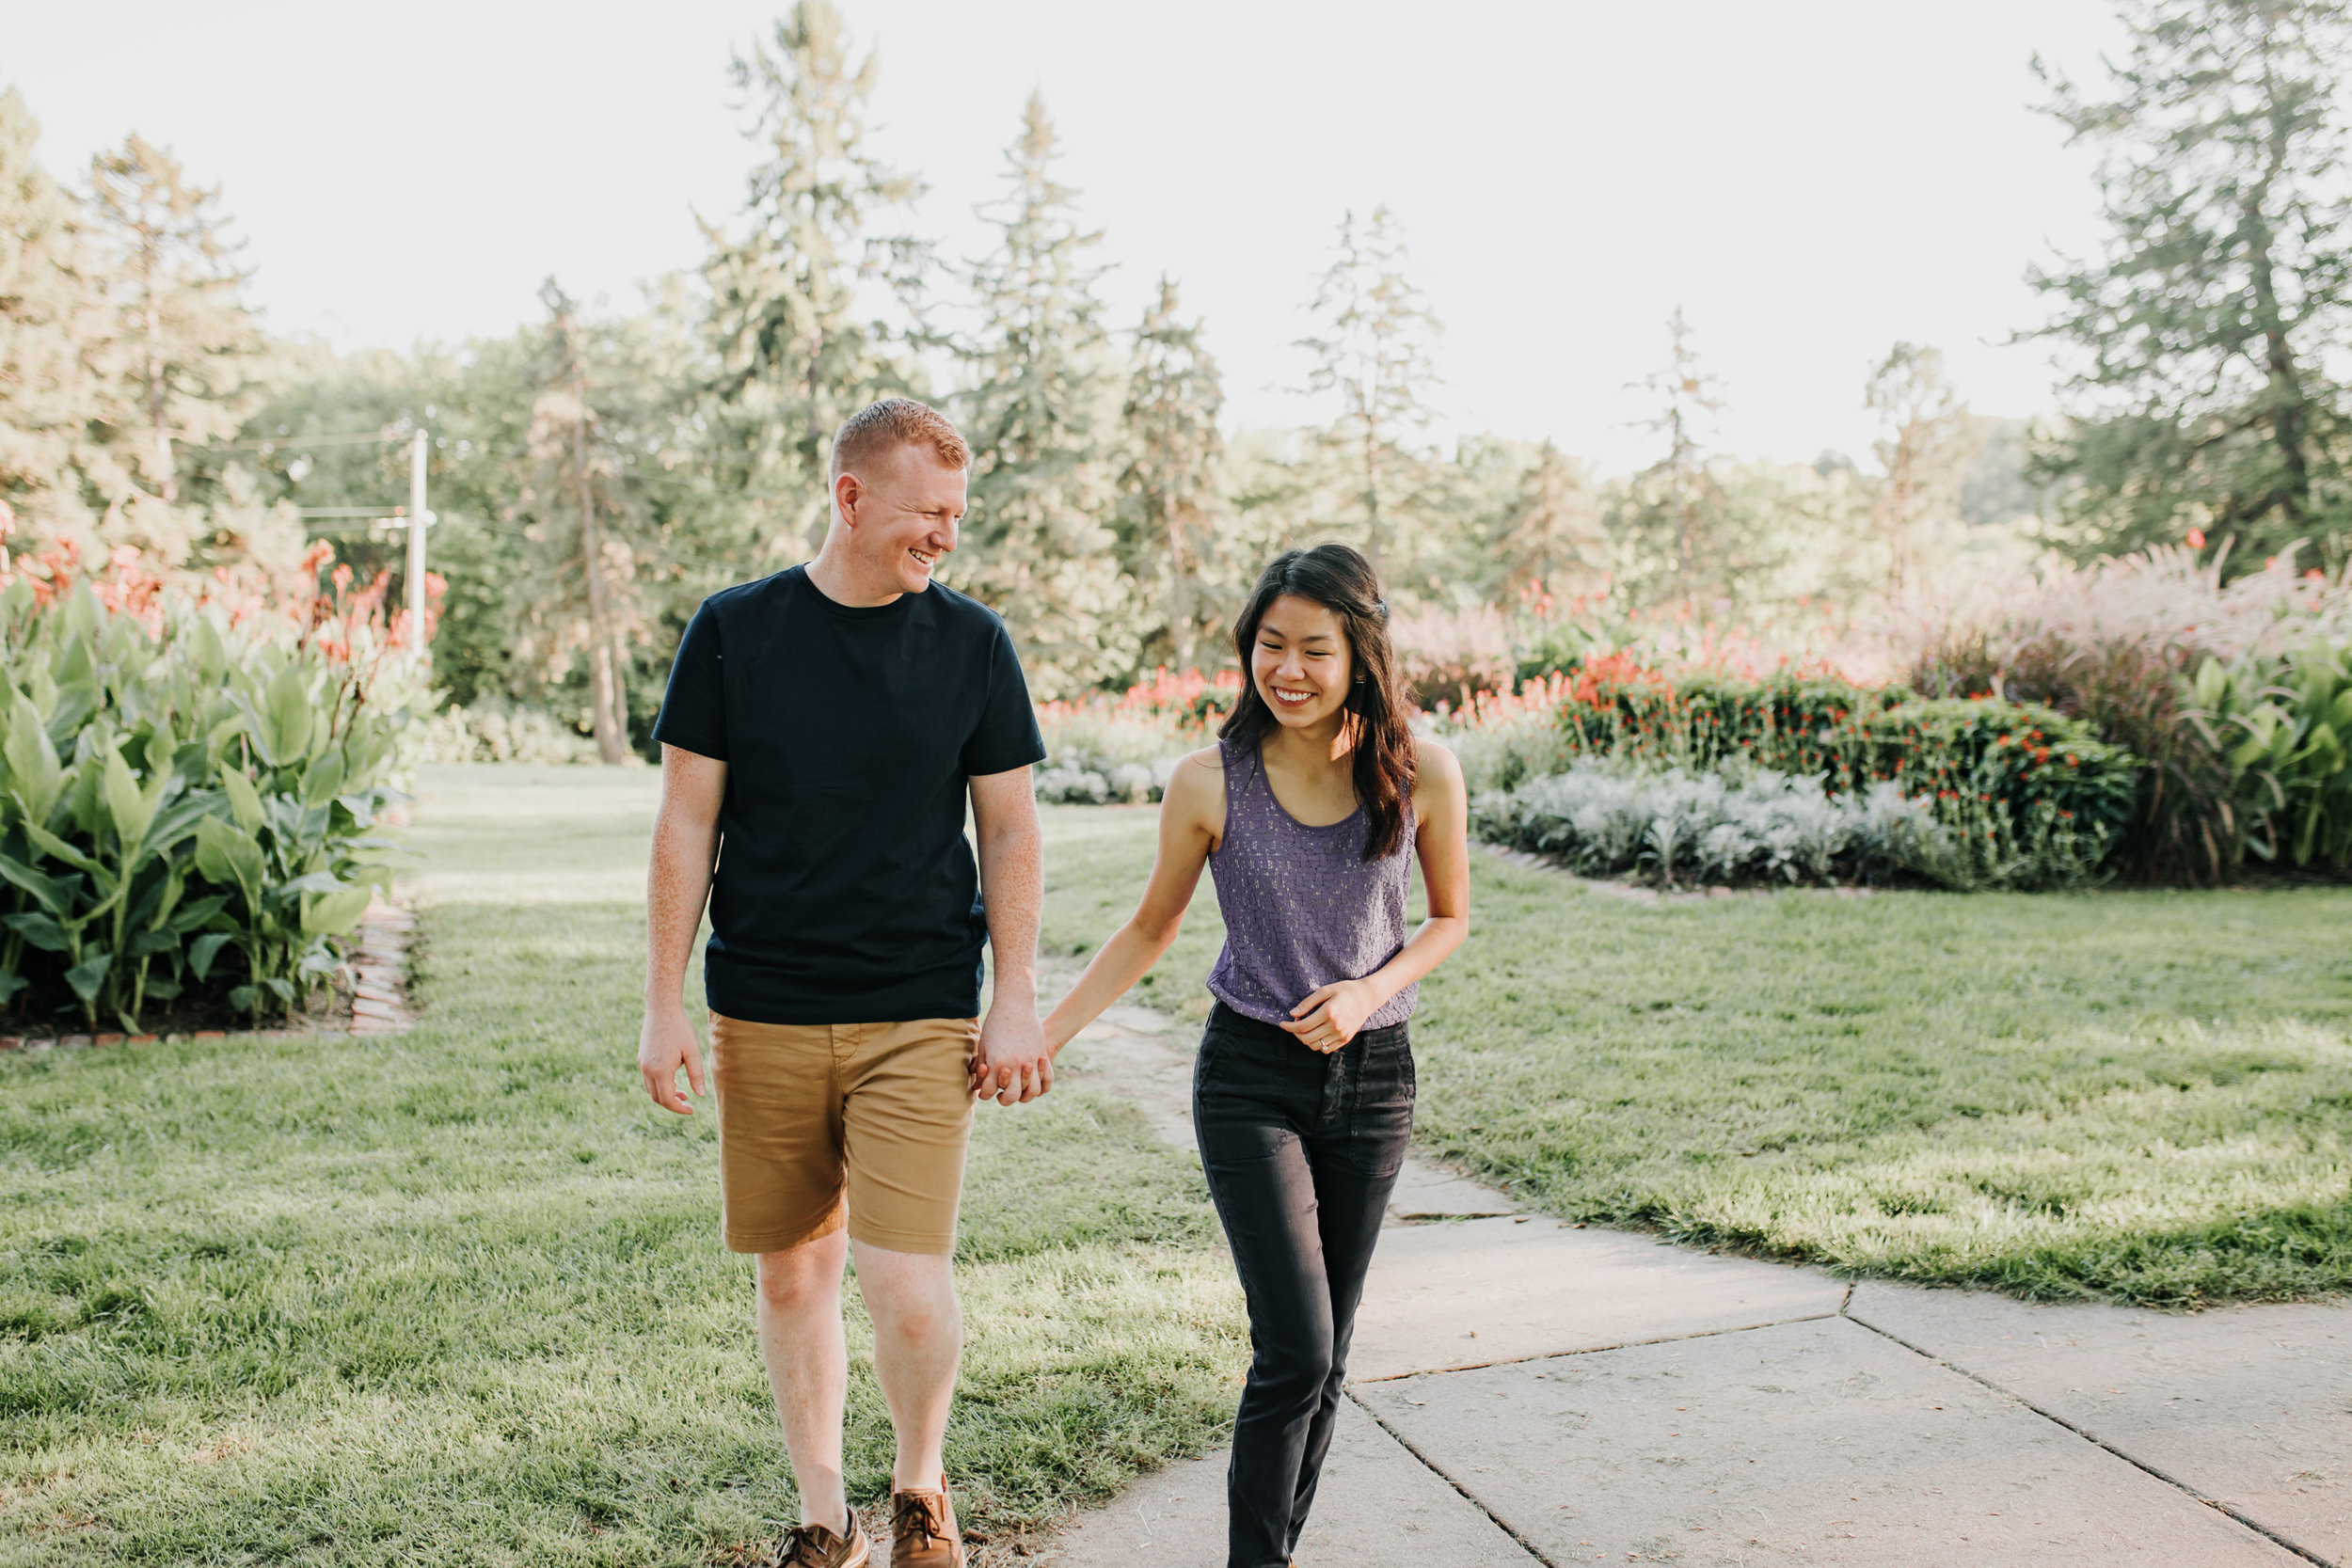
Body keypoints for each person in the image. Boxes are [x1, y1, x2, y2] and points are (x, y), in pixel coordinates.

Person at [639, 397, 1053, 1568]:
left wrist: (1014, 990)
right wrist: (663, 1001)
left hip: (918, 1003)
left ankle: (920, 1487)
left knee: (905, 1282)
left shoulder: (973, 643)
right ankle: (825, 1515)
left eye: (958, 516)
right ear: (850, 495)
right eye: (929, 513)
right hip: (760, 1004)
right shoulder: (734, 631)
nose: (946, 538)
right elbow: (685, 824)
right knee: (789, 1275)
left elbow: (1011, 831)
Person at [1041, 544, 1470, 1568]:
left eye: (1314, 648)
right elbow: (1149, 930)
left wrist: (1370, 989)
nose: (1289, 668)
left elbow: (1450, 918)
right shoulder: (1208, 780)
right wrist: (1043, 1033)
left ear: (1360, 653)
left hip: (1374, 1080)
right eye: (1270, 645)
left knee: (1328, 1354)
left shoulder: (1420, 765)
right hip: (1248, 1080)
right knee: (1297, 1348)